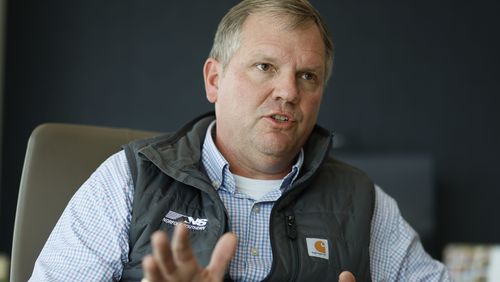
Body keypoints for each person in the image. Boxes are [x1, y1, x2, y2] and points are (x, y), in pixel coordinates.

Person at [30, 0, 451, 281]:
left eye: (308, 76)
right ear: (214, 80)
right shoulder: (129, 179)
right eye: (265, 66)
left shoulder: (362, 202)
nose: (288, 91)